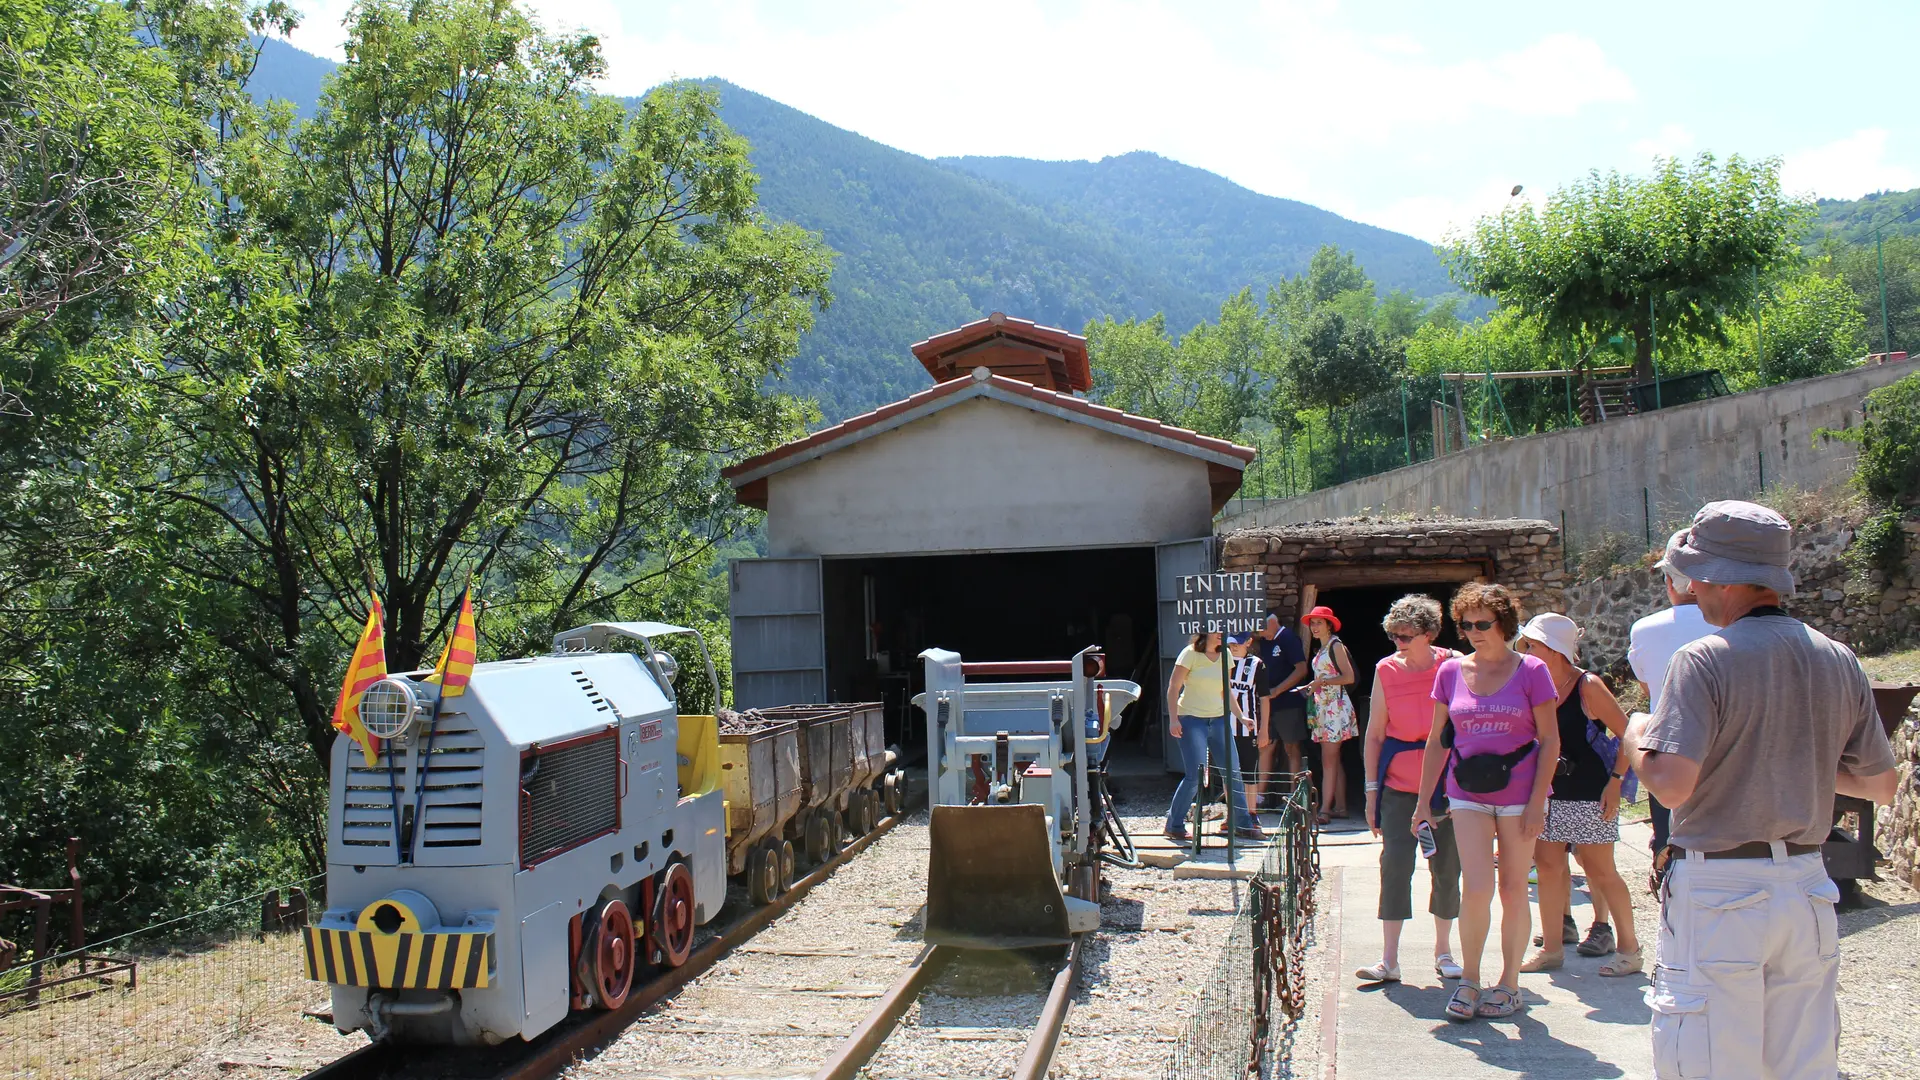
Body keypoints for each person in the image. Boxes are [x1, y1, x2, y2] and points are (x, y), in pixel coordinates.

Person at [1623, 500, 1897, 1080]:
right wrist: (1801, 766)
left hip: (1721, 885)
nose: (1691, 588)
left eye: (1694, 573)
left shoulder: (1703, 659)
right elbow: (1881, 784)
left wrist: (1635, 736)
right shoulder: (1837, 657)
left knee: (1710, 1063)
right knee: (1803, 1064)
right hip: (1806, 885)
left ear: (1717, 576)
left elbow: (1672, 787)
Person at [1413, 582, 1559, 1023]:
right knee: (1477, 887)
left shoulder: (1533, 670)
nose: (1474, 632)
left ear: (1504, 624)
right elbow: (1438, 743)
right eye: (1466, 625)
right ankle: (1470, 979)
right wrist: (1424, 802)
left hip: (1520, 796)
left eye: (1483, 623)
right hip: (1467, 793)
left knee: (1515, 889)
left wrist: (1538, 802)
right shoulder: (1450, 672)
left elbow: (1550, 740)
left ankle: (1510, 983)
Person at [1514, 613, 1643, 978]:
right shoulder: (1531, 682)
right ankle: (1552, 950)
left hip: (1588, 790)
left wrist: (1616, 782)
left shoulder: (1588, 685)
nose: (1525, 650)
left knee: (1601, 870)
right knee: (1549, 867)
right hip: (1546, 790)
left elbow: (1627, 733)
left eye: (1532, 644)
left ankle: (1630, 950)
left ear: (1554, 649)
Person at [1356, 594, 1464, 984]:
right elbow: (1375, 735)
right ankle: (1389, 959)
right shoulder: (1386, 670)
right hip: (1399, 784)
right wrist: (1371, 793)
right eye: (1394, 635)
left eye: (1405, 635)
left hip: (1446, 786)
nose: (1398, 642)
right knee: (1395, 866)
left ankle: (1444, 952)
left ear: (1429, 634)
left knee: (1447, 867)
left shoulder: (1454, 665)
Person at [1628, 528, 1717, 877]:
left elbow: (1649, 689)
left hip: (1669, 742)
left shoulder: (1645, 629)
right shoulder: (1734, 626)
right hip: (1726, 741)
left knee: (1671, 837)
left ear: (1669, 582)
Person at [1166, 631, 1266, 843]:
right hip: (1192, 719)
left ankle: (1242, 824)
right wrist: (1174, 719)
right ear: (1205, 633)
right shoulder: (1189, 654)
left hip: (1219, 719)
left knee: (1233, 772)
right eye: (1217, 631)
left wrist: (1240, 716)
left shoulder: (1226, 656)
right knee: (1195, 776)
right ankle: (1173, 825)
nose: (1222, 635)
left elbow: (1226, 690)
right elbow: (1174, 687)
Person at [1303, 605, 1358, 825]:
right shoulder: (1322, 648)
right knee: (1333, 759)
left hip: (1334, 708)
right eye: (1312, 623)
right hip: (1325, 707)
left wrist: (1321, 682)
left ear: (1329, 625)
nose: (1314, 627)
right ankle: (1341, 807)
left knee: (1328, 760)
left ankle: (1325, 809)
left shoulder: (1336, 646)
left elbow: (1349, 677)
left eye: (1319, 622)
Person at [1256, 611, 1311, 805]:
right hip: (1269, 705)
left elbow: (1301, 669)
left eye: (1260, 628)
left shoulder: (1288, 638)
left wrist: (1278, 690)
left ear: (1271, 623)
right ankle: (1259, 796)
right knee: (1266, 746)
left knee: (1291, 747)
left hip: (1289, 703)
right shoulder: (1264, 641)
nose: (1257, 633)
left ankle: (1293, 796)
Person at [1227, 632, 1269, 821]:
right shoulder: (1221, 661)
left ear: (1248, 642)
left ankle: (1251, 814)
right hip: (1225, 727)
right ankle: (1231, 815)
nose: (1234, 647)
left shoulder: (1256, 665)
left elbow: (1265, 699)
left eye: (1238, 643)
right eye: (1231, 643)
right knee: (1228, 771)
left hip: (1248, 727)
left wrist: (1264, 730)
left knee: (1249, 772)